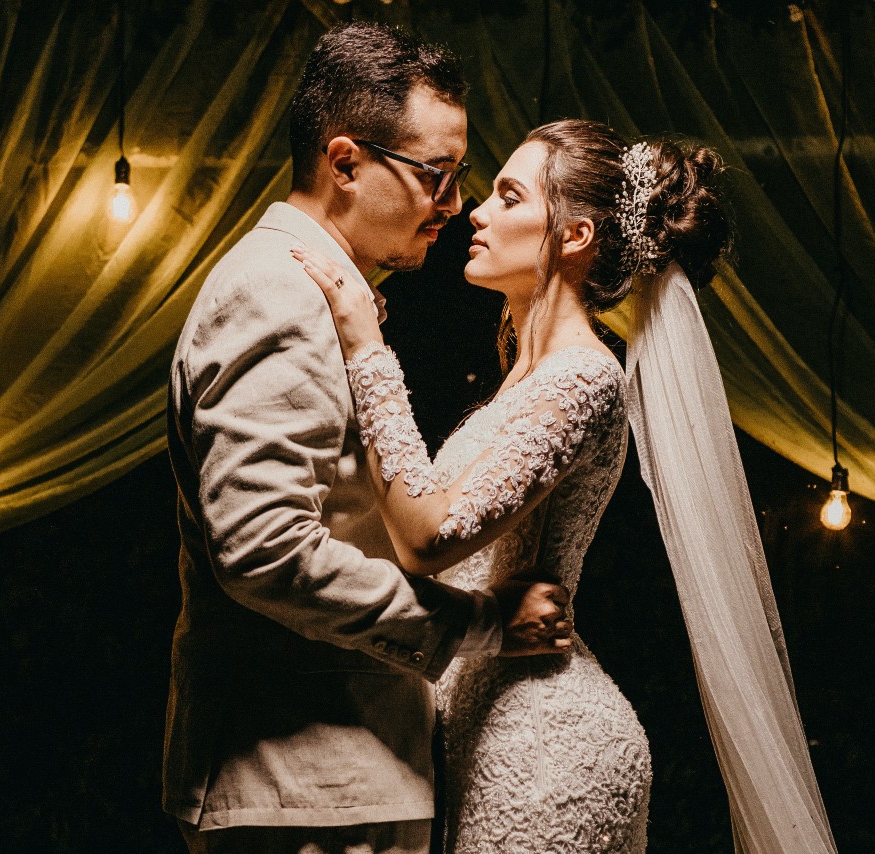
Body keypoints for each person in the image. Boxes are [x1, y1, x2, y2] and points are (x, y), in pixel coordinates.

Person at [295, 119, 838, 852]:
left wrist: (366, 350)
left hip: (545, 747)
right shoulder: (529, 380)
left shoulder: (586, 379)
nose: (476, 212)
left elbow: (428, 538)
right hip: (485, 726)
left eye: (508, 197)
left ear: (575, 236)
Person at [162, 22, 573, 854]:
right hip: (305, 787)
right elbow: (265, 548)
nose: (454, 206)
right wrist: (476, 626)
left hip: (336, 781)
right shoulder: (276, 292)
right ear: (345, 162)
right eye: (437, 175)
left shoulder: (314, 289)